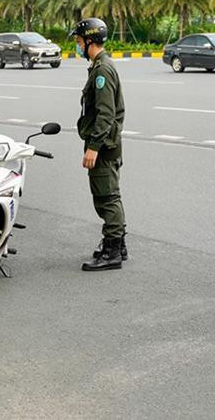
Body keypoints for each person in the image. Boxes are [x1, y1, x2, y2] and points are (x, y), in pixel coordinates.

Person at [72, 18, 128, 272]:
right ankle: (118, 245)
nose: (77, 46)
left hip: (103, 145)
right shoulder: (100, 66)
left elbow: (106, 114)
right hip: (107, 142)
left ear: (89, 41)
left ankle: (112, 252)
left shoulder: (102, 70)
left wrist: (93, 147)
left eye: (79, 41)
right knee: (110, 194)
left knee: (106, 198)